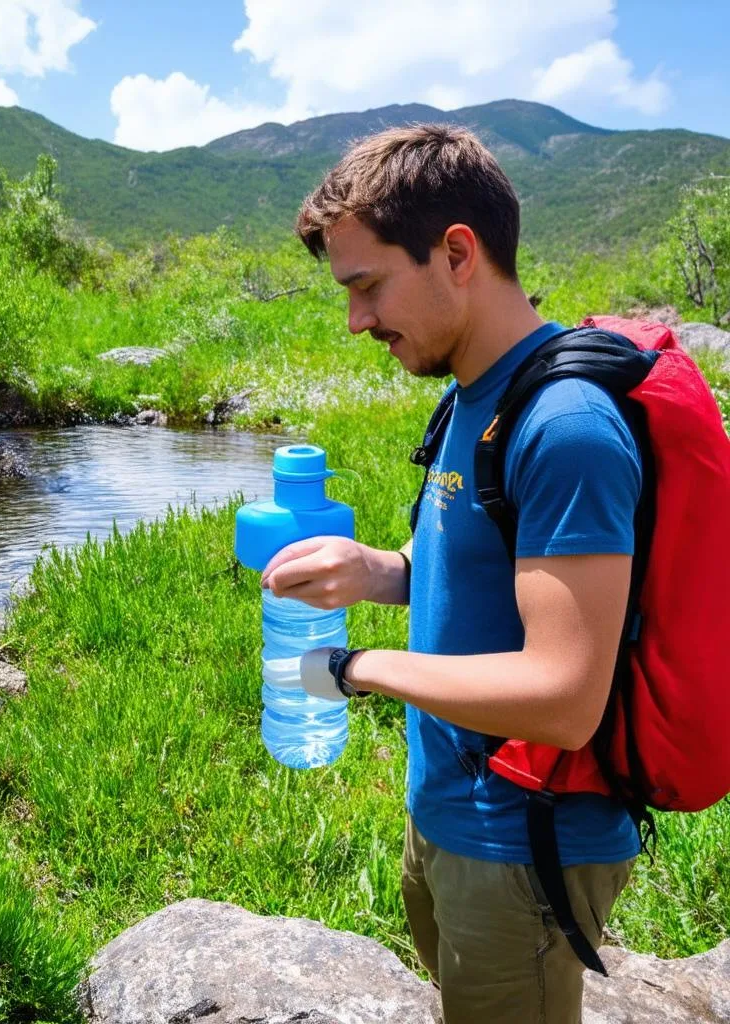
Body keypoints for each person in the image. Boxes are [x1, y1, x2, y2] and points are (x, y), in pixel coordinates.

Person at [260, 124, 640, 1024]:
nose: (357, 321)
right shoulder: (473, 395)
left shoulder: (568, 428)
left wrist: (355, 671)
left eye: (367, 286)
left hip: (523, 842)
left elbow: (565, 696)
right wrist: (376, 571)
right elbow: (482, 574)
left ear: (457, 253)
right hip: (447, 811)